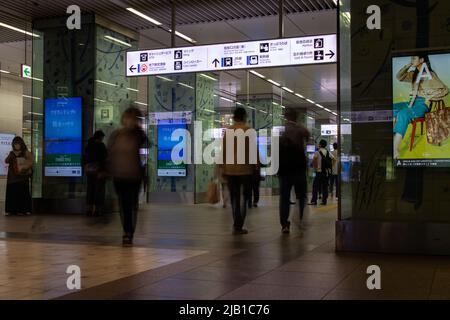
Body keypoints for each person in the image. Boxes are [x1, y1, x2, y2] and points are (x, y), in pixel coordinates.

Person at [393, 55, 449, 159]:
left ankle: (395, 148)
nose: (412, 60)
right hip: (411, 102)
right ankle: (395, 134)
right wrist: (409, 65)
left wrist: (430, 97)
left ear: (422, 60)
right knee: (391, 108)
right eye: (411, 58)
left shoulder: (430, 75)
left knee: (403, 114)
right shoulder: (414, 74)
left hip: (422, 104)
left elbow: (445, 89)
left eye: (414, 58)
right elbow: (399, 77)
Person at [108, 107, 147, 246]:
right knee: (123, 204)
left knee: (131, 204)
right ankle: (126, 230)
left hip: (134, 176)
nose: (129, 121)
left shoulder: (138, 135)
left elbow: (145, 140)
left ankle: (129, 232)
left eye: (132, 118)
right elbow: (110, 154)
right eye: (127, 117)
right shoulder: (116, 135)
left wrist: (137, 126)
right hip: (119, 175)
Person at [221, 107, 255, 235]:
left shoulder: (228, 131)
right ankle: (239, 225)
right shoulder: (248, 130)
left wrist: (222, 167)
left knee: (234, 198)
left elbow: (223, 151)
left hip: (230, 170)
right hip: (245, 170)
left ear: (234, 117)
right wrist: (256, 166)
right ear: (244, 116)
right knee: (244, 198)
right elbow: (253, 151)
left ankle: (236, 223)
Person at [278, 108, 310, 233]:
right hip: (298, 169)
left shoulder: (282, 131)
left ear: (286, 117)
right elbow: (308, 135)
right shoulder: (300, 129)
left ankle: (285, 224)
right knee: (301, 196)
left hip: (285, 169)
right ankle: (300, 219)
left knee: (284, 197)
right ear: (296, 118)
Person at [4, 136, 33, 216]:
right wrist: (11, 155)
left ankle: (23, 210)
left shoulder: (26, 152)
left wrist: (24, 167)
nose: (16, 145)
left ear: (21, 144)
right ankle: (12, 210)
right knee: (12, 194)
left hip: (22, 177)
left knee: (22, 193)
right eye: (15, 144)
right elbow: (6, 161)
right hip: (12, 178)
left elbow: (31, 162)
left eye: (18, 144)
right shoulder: (11, 153)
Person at [83, 130, 108, 217]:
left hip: (89, 171)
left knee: (90, 190)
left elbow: (85, 158)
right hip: (99, 172)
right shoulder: (101, 146)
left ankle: (89, 210)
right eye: (102, 137)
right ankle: (97, 210)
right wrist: (104, 170)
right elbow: (104, 159)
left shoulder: (88, 146)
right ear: (100, 137)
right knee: (99, 191)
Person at [310, 139, 333, 206]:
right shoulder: (328, 152)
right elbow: (333, 160)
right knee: (325, 187)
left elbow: (314, 161)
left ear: (320, 144)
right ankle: (324, 201)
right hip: (325, 172)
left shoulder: (317, 152)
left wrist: (315, 167)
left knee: (315, 186)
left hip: (319, 172)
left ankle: (314, 200)